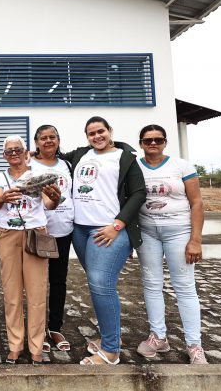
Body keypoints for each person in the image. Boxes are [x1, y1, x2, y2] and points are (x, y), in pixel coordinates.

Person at [62, 116, 146, 365]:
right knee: (98, 284)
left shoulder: (124, 157)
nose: (97, 136)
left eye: (101, 132)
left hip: (109, 229)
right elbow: (53, 154)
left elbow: (139, 193)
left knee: (101, 283)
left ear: (110, 131)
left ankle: (110, 351)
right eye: (91, 133)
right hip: (80, 230)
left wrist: (117, 225)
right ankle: (112, 337)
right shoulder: (81, 155)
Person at [135, 125, 207, 364]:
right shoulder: (135, 166)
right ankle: (158, 336)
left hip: (179, 232)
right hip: (147, 232)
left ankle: (194, 344)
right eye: (148, 140)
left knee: (184, 286)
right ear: (141, 143)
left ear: (165, 142)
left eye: (158, 139)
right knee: (152, 284)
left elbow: (196, 203)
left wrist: (195, 240)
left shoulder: (182, 166)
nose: (153, 144)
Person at [0, 135, 61, 364]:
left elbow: (49, 204)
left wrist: (55, 198)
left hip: (35, 234)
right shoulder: (0, 177)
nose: (13, 154)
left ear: (25, 151)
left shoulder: (36, 175)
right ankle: (15, 345)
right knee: (11, 293)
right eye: (9, 151)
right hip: (7, 235)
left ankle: (36, 346)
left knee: (37, 293)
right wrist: (3, 197)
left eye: (17, 150)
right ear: (4, 155)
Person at [30, 125, 75, 354]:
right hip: (39, 231)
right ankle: (37, 330)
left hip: (63, 231)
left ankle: (55, 327)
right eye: (43, 138)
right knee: (36, 283)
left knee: (58, 281)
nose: (48, 141)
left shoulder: (67, 164)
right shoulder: (30, 165)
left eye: (52, 137)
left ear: (58, 140)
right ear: (36, 142)